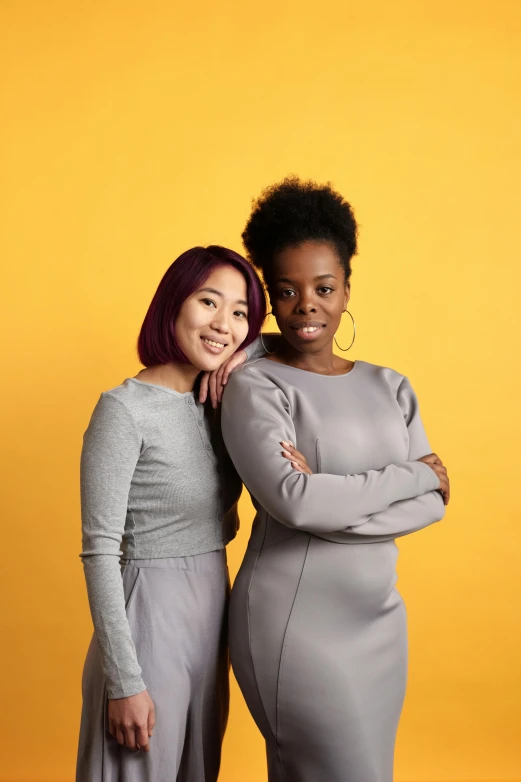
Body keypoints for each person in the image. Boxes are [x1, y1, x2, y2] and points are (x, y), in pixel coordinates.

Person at [221, 178, 450, 782]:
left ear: (347, 288)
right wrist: (409, 475)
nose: (307, 306)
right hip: (294, 624)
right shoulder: (256, 385)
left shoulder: (389, 385)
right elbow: (294, 503)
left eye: (324, 288)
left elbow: (434, 506)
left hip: (379, 621)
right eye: (287, 291)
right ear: (269, 296)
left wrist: (330, 498)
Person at [76, 245, 309, 782]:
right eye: (208, 302)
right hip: (147, 615)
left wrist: (240, 354)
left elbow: (298, 340)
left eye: (239, 312)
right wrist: (124, 681)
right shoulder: (124, 411)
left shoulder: (217, 398)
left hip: (211, 611)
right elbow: (99, 552)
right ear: (173, 304)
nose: (223, 323)